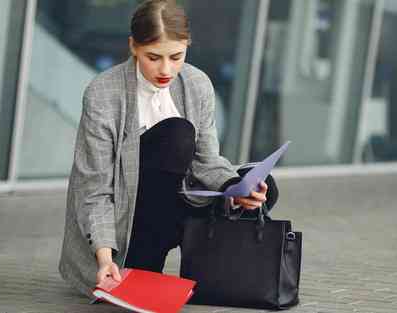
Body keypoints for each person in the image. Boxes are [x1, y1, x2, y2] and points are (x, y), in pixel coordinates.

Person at [58, 0, 268, 300]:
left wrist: (236, 187)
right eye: (153, 57)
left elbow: (206, 161)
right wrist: (104, 258)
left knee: (261, 187)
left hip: (177, 204)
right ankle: (141, 264)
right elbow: (94, 188)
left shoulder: (196, 84)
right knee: (177, 134)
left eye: (176, 56)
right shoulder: (104, 94)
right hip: (129, 221)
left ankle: (214, 272)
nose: (165, 69)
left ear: (187, 46)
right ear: (133, 46)